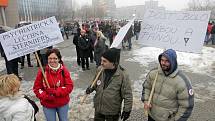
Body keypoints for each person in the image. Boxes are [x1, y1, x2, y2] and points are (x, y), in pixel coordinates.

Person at [141, 49, 194, 121]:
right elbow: (146, 87)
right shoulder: (154, 73)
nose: (163, 63)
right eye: (162, 60)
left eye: (167, 61)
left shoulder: (182, 81)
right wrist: (146, 100)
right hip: (151, 116)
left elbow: (186, 106)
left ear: (173, 62)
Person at [86, 48, 133, 121]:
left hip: (112, 112)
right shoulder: (100, 70)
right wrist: (90, 88)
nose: (101, 63)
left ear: (113, 63)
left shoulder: (122, 75)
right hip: (99, 107)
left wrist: (127, 110)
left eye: (104, 61)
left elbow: (127, 94)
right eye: (101, 60)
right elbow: (94, 83)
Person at [33, 48, 74, 121]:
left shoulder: (64, 70)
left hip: (62, 103)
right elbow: (37, 88)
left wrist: (56, 92)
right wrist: (46, 96)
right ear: (47, 59)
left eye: (55, 58)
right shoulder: (42, 71)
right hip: (48, 104)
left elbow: (69, 87)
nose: (52, 60)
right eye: (50, 58)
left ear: (59, 59)